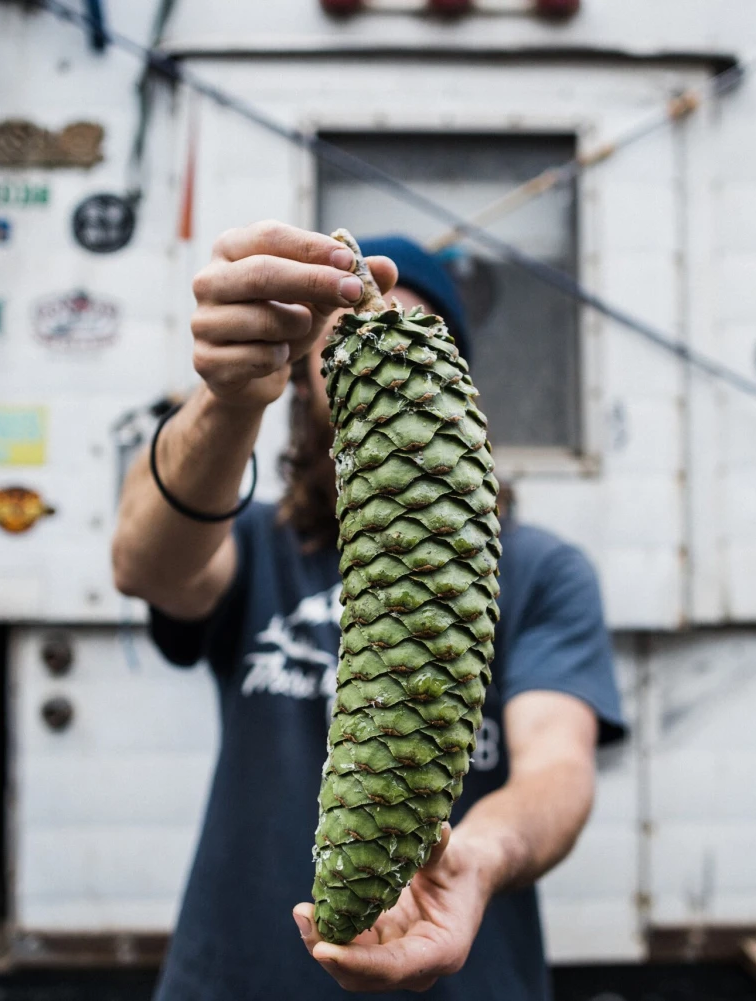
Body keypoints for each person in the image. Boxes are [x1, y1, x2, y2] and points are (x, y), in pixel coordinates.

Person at [112, 221, 624, 1000]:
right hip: (239, 978)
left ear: (453, 383)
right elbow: (143, 565)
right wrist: (225, 400)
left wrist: (478, 853)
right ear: (306, 365)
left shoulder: (541, 570)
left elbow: (558, 767)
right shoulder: (254, 542)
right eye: (344, 325)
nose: (378, 333)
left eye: (411, 326)